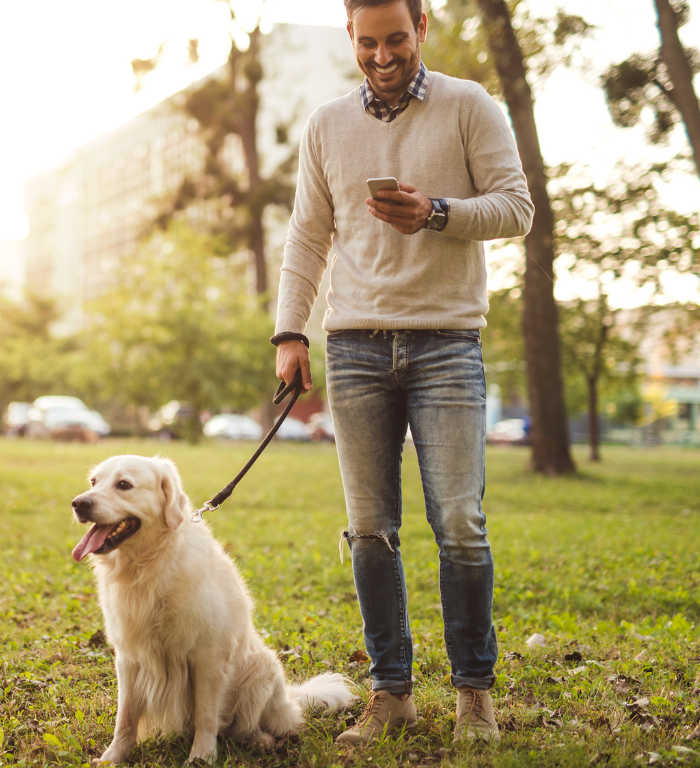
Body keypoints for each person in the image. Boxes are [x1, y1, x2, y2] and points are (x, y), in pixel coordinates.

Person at [271, 0, 533, 745]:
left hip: (446, 342)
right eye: (367, 43)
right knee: (367, 529)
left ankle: (473, 695)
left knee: (459, 522)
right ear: (349, 38)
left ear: (422, 30)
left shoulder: (468, 106)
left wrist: (437, 212)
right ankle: (391, 695)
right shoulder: (327, 125)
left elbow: (518, 208)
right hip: (352, 347)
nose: (382, 56)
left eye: (395, 40)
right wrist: (289, 331)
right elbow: (307, 234)